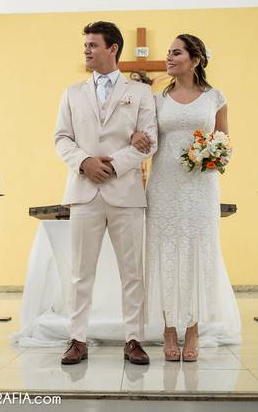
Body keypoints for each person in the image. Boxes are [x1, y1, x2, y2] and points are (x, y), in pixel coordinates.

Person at [131, 34, 241, 362]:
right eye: (168, 52)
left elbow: (225, 142)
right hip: (164, 184)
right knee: (164, 251)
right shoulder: (156, 100)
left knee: (196, 251)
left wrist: (214, 154)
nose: (169, 57)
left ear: (195, 60)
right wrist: (135, 137)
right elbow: (147, 139)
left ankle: (192, 329)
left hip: (200, 186)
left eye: (176, 53)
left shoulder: (215, 98)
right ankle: (168, 329)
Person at [53, 21, 157, 365]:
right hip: (84, 192)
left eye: (93, 45)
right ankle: (77, 339)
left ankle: (134, 339)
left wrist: (113, 166)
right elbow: (62, 138)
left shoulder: (140, 93)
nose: (87, 50)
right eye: (85, 45)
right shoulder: (72, 93)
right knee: (80, 272)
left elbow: (149, 140)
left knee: (133, 272)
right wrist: (84, 162)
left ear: (113, 48)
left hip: (126, 192)